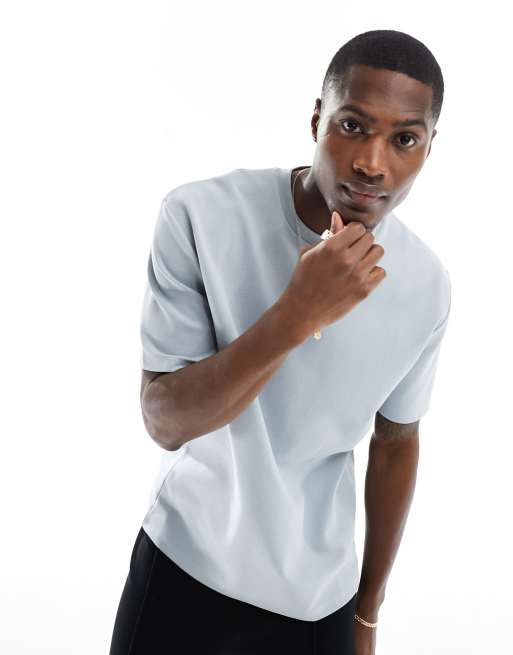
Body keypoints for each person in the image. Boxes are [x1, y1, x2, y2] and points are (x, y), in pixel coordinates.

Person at [109, 29, 451, 655]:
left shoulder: (426, 284)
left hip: (319, 604)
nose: (372, 162)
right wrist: (298, 313)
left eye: (404, 138)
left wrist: (367, 614)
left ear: (429, 148)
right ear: (317, 119)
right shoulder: (200, 215)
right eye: (352, 126)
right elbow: (164, 421)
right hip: (184, 568)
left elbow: (396, 444)